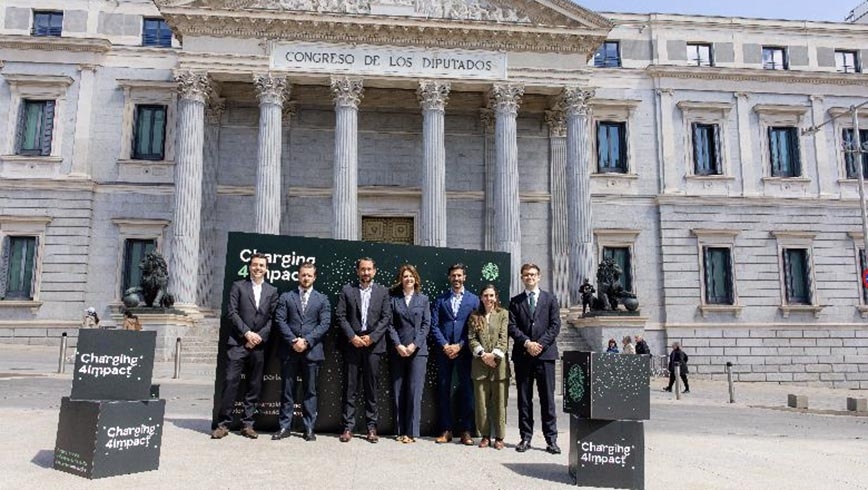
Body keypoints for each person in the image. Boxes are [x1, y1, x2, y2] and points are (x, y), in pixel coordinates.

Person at [213, 253, 278, 440]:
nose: (258, 268)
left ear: (266, 269)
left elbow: (273, 318)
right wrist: (247, 333)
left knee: (254, 385)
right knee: (230, 382)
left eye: (262, 265)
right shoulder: (238, 286)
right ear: (249, 267)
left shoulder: (272, 291)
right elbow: (232, 312)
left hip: (259, 346)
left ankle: (248, 424)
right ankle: (223, 424)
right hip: (238, 343)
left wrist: (259, 336)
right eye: (255, 265)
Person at [273, 261, 331, 442]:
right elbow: (280, 320)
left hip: (311, 351)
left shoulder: (322, 299)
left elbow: (324, 324)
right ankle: (284, 427)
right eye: (303, 275)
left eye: (309, 275)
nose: (306, 278)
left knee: (310, 392)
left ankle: (309, 428)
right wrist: (293, 341)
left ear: (314, 277)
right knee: (287, 391)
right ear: (298, 276)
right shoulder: (286, 297)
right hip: (289, 351)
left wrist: (306, 341)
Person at [336, 257, 392, 443]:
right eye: (363, 269)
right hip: (352, 345)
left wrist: (372, 337)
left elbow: (386, 318)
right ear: (357, 271)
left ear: (374, 271)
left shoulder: (383, 292)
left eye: (369, 269)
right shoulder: (347, 290)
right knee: (350, 388)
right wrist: (353, 337)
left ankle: (371, 428)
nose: (366, 273)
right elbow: (341, 316)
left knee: (371, 389)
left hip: (373, 346)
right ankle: (348, 428)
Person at [508, 263, 561, 455]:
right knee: (524, 399)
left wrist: (539, 344)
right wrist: (527, 343)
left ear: (539, 277)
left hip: (545, 355)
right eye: (526, 275)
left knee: (547, 399)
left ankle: (551, 439)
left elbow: (555, 325)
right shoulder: (515, 302)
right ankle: (525, 437)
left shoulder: (550, 299)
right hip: (523, 356)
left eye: (533, 275)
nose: (529, 278)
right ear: (522, 278)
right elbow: (512, 327)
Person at [430, 263, 480, 446]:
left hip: (464, 352)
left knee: (467, 390)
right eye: (453, 276)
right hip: (444, 352)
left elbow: (477, 328)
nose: (456, 279)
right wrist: (445, 345)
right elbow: (434, 325)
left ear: (464, 277)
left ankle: (466, 431)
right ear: (449, 278)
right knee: (443, 389)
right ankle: (446, 430)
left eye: (459, 276)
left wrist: (460, 346)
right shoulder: (440, 300)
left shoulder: (474, 300)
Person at [387, 264, 430, 444]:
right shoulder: (393, 300)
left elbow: (426, 325)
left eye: (411, 276)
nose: (408, 279)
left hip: (418, 351)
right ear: (401, 279)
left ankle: (411, 432)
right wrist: (398, 344)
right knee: (398, 391)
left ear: (416, 279)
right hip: (398, 351)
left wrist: (414, 345)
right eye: (405, 276)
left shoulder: (423, 299)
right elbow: (389, 325)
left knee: (414, 391)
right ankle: (399, 430)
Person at [468, 284, 510, 450]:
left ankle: (499, 437)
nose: (488, 299)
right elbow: (471, 339)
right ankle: (485, 435)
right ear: (481, 297)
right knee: (481, 403)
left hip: (499, 366)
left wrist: (495, 356)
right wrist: (483, 355)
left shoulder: (503, 314)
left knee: (500, 403)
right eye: (485, 295)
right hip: (480, 366)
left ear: (496, 297)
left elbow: (504, 338)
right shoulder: (474, 316)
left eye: (491, 295)